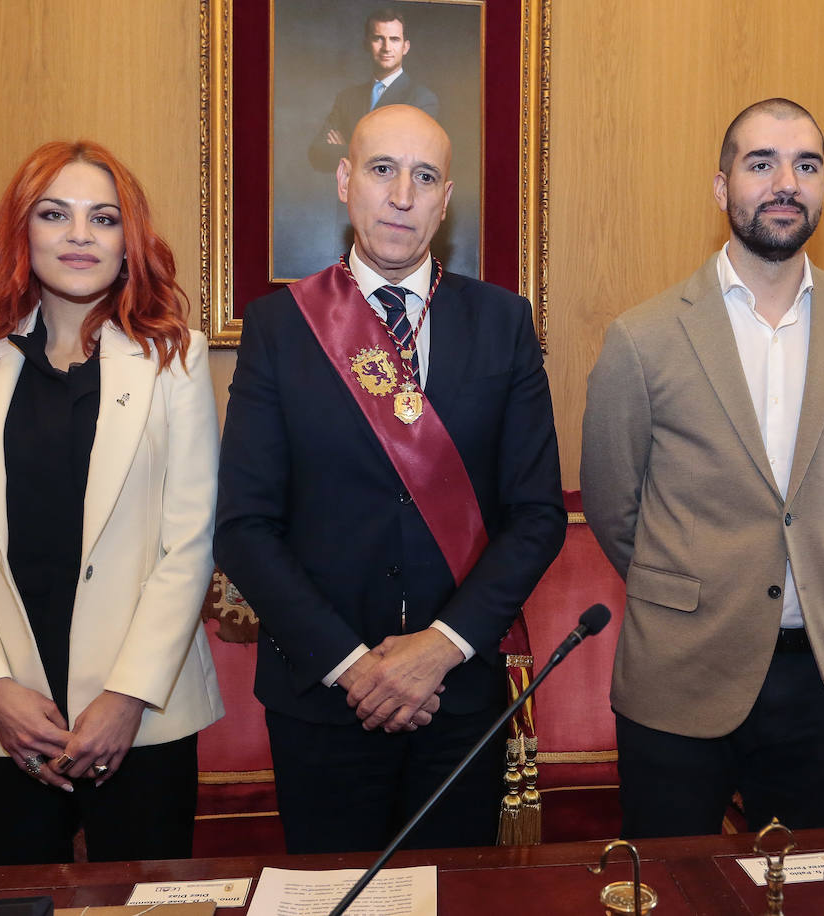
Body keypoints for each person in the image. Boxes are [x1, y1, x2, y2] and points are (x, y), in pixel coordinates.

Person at [215, 104, 565, 854]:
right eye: (382, 170)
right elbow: (244, 526)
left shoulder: (502, 322)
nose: (402, 194)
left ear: (446, 200)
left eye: (425, 176)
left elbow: (536, 516)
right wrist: (354, 668)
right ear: (346, 182)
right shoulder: (280, 327)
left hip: (460, 697)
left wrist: (440, 646)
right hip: (321, 698)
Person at [580, 98, 824, 837]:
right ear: (722, 187)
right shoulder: (644, 336)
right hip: (681, 673)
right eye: (761, 163)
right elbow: (612, 504)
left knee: (812, 890)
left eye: (807, 165)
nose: (786, 182)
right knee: (674, 891)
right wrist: (691, 584)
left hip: (823, 679)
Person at [0, 140, 224, 865]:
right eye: (55, 214)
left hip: (143, 717)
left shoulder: (175, 359)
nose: (80, 235)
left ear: (128, 242)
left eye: (104, 218)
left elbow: (189, 545)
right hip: (5, 719)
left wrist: (126, 698)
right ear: (23, 232)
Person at [308, 7, 440, 174]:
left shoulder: (422, 100)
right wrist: (376, 153)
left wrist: (347, 149)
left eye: (394, 39)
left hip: (391, 198)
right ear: (366, 44)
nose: (386, 47)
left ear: (405, 47)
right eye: (378, 38)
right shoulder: (347, 98)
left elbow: (403, 159)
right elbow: (317, 153)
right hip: (349, 199)